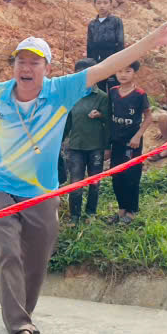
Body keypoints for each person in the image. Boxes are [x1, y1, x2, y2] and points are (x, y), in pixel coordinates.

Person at [0, 20, 167, 334]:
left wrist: (153, 40)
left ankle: (24, 315)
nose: (26, 68)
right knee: (9, 253)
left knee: (37, 258)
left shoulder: (61, 91)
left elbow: (108, 65)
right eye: (21, 61)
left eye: (34, 62)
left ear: (47, 69)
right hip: (0, 186)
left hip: (42, 192)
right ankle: (18, 325)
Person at [63, 58, 109, 222]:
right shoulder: (72, 97)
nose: (84, 79)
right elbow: (67, 122)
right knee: (75, 182)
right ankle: (74, 216)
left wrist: (101, 115)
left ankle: (91, 213)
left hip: (96, 146)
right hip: (75, 146)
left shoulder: (102, 97)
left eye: (88, 74)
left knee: (94, 182)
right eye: (79, 75)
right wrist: (60, 141)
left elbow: (109, 122)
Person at [107, 60, 152, 222]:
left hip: (132, 142)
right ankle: (121, 209)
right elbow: (108, 113)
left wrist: (137, 135)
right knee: (116, 175)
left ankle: (131, 210)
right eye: (120, 71)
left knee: (131, 175)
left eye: (127, 71)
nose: (123, 75)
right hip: (116, 141)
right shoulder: (112, 92)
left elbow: (148, 117)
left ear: (134, 73)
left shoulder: (139, 94)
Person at [86, 0, 125, 88]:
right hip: (97, 62)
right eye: (99, 3)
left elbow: (120, 42)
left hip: (113, 61)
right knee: (100, 87)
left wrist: (120, 61)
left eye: (105, 3)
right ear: (94, 5)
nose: (102, 6)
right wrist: (90, 62)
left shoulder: (116, 21)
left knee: (114, 87)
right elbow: (89, 45)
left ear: (110, 4)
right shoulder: (92, 24)